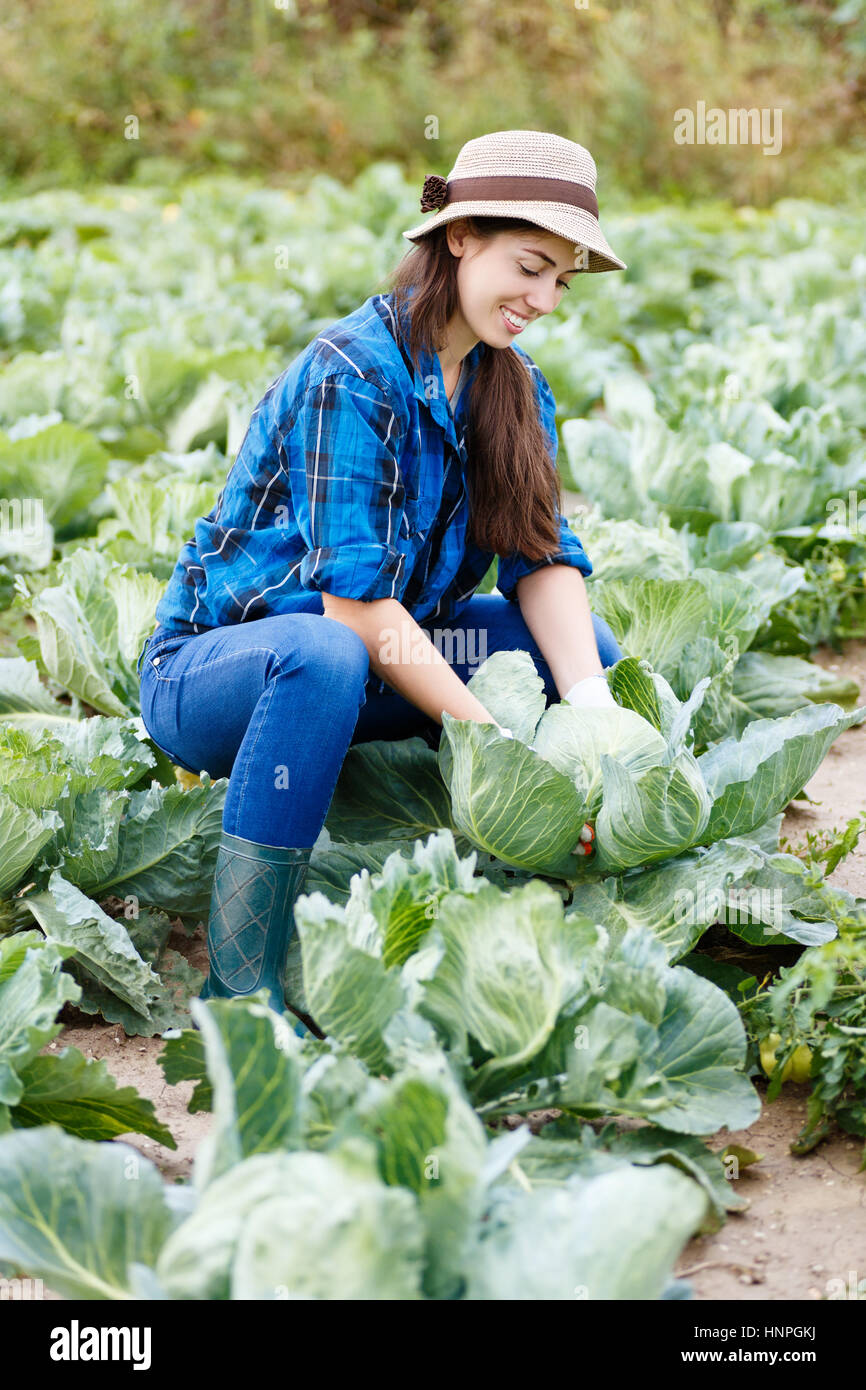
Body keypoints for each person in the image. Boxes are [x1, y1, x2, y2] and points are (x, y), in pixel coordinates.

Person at [136, 129, 628, 1035]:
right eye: (529, 266)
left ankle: (534, 880)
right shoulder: (350, 375)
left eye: (562, 280)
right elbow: (356, 610)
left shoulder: (513, 387)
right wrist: (496, 751)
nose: (545, 300)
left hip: (370, 668)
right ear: (458, 237)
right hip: (223, 676)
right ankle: (240, 988)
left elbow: (543, 559)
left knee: (581, 650)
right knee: (323, 653)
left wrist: (591, 715)